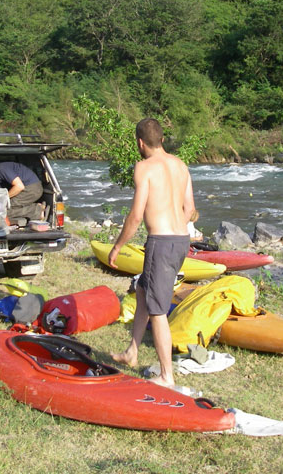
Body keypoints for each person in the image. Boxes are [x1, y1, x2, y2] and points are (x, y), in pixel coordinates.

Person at [109, 118, 195, 389]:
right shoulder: (181, 165)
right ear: (163, 139)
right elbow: (190, 209)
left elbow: (136, 216)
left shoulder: (143, 168)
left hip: (162, 242)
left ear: (140, 142)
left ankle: (167, 376)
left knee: (157, 310)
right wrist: (175, 229)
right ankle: (132, 352)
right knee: (143, 291)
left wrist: (117, 246)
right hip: (181, 240)